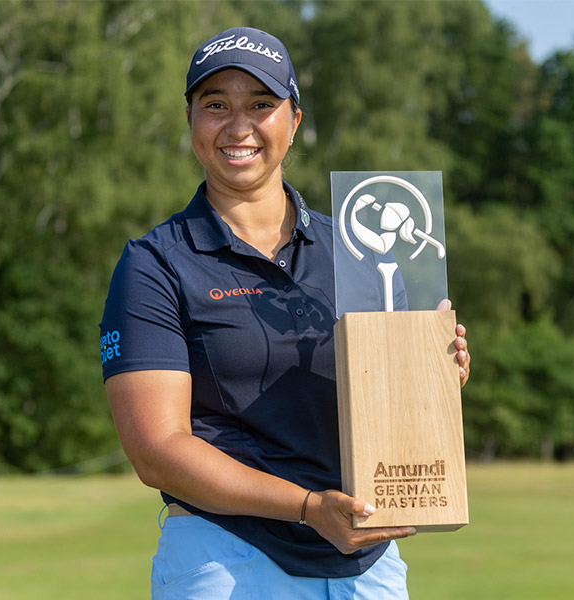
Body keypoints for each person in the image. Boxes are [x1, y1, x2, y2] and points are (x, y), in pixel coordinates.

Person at [99, 27, 471, 599]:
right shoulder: (154, 264)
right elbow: (158, 450)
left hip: (366, 565)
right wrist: (305, 507)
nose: (238, 125)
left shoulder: (362, 251)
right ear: (192, 121)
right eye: (215, 105)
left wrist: (432, 375)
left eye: (261, 105)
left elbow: (389, 412)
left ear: (293, 120)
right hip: (226, 558)